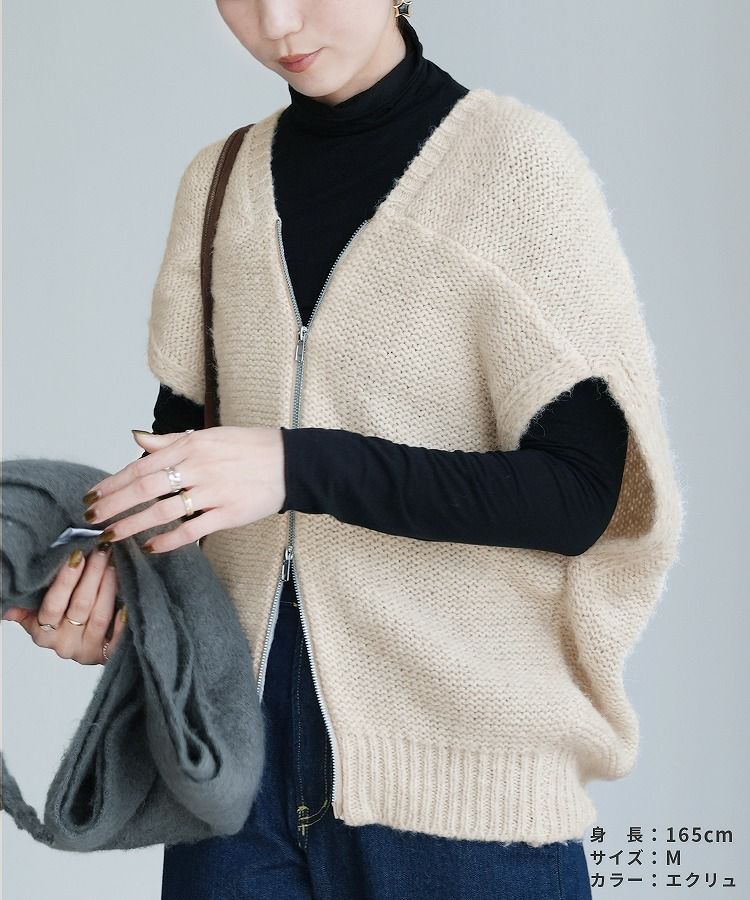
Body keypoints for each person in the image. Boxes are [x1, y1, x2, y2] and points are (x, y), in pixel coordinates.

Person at [4, 2, 685, 898]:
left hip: (458, 799)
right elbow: (183, 478)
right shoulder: (218, 185)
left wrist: (296, 467)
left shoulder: (515, 168)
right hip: (232, 793)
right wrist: (111, 598)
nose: (277, 21)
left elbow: (581, 493)